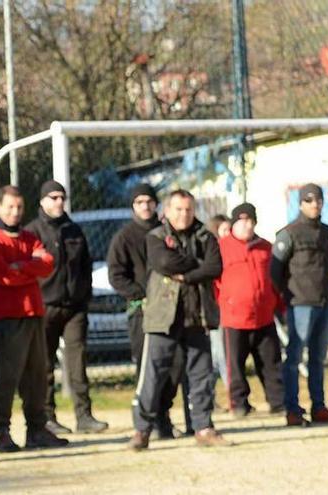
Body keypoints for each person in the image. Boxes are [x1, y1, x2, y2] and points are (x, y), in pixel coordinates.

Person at [129, 189, 230, 450]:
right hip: (163, 318)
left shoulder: (205, 236)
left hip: (198, 315)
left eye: (188, 209)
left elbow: (215, 267)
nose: (183, 214)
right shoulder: (155, 236)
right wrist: (198, 266)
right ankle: (142, 430)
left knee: (201, 375)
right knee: (152, 376)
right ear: (167, 210)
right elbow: (164, 262)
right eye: (178, 209)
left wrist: (187, 275)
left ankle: (203, 427)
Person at [0, 185, 68, 452]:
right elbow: (1, 276)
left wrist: (21, 266)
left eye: (19, 207)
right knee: (8, 375)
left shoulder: (28, 237)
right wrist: (29, 266)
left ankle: (36, 428)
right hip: (7, 316)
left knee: (37, 374)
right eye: (10, 207)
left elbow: (48, 263)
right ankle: (0, 430)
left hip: (34, 312)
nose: (15, 212)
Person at [25, 180, 108, 434]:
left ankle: (84, 416)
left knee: (77, 363)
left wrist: (84, 298)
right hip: (45, 306)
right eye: (53, 197)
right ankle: (47, 417)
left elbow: (86, 266)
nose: (59, 202)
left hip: (74, 308)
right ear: (42, 201)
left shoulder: (74, 230)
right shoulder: (32, 232)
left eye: (62, 197)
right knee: (44, 365)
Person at [107, 184, 187, 439]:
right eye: (140, 201)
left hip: (172, 309)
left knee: (174, 366)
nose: (145, 206)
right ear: (133, 205)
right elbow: (116, 275)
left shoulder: (167, 233)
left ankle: (163, 417)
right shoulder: (125, 237)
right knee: (148, 367)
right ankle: (145, 423)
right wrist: (141, 295)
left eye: (149, 201)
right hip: (142, 312)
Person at [271, 183, 328, 426]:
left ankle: (318, 407)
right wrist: (285, 298)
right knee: (295, 357)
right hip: (299, 303)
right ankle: (292, 409)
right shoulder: (289, 233)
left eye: (318, 199)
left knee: (318, 359)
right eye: (309, 200)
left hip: (324, 302)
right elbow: (275, 270)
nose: (314, 204)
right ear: (300, 203)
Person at [216, 203, 284, 418]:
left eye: (250, 221)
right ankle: (239, 404)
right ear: (233, 223)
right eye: (241, 221)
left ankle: (277, 401)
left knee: (271, 361)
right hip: (234, 318)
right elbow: (214, 282)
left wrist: (279, 305)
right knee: (235, 364)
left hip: (264, 314)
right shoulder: (221, 247)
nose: (246, 225)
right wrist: (225, 303)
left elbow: (275, 280)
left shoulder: (266, 247)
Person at [206, 214, 231, 409]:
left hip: (227, 309)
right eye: (224, 230)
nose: (228, 234)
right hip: (216, 309)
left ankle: (209, 397)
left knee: (216, 357)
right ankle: (232, 394)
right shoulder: (212, 253)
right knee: (221, 355)